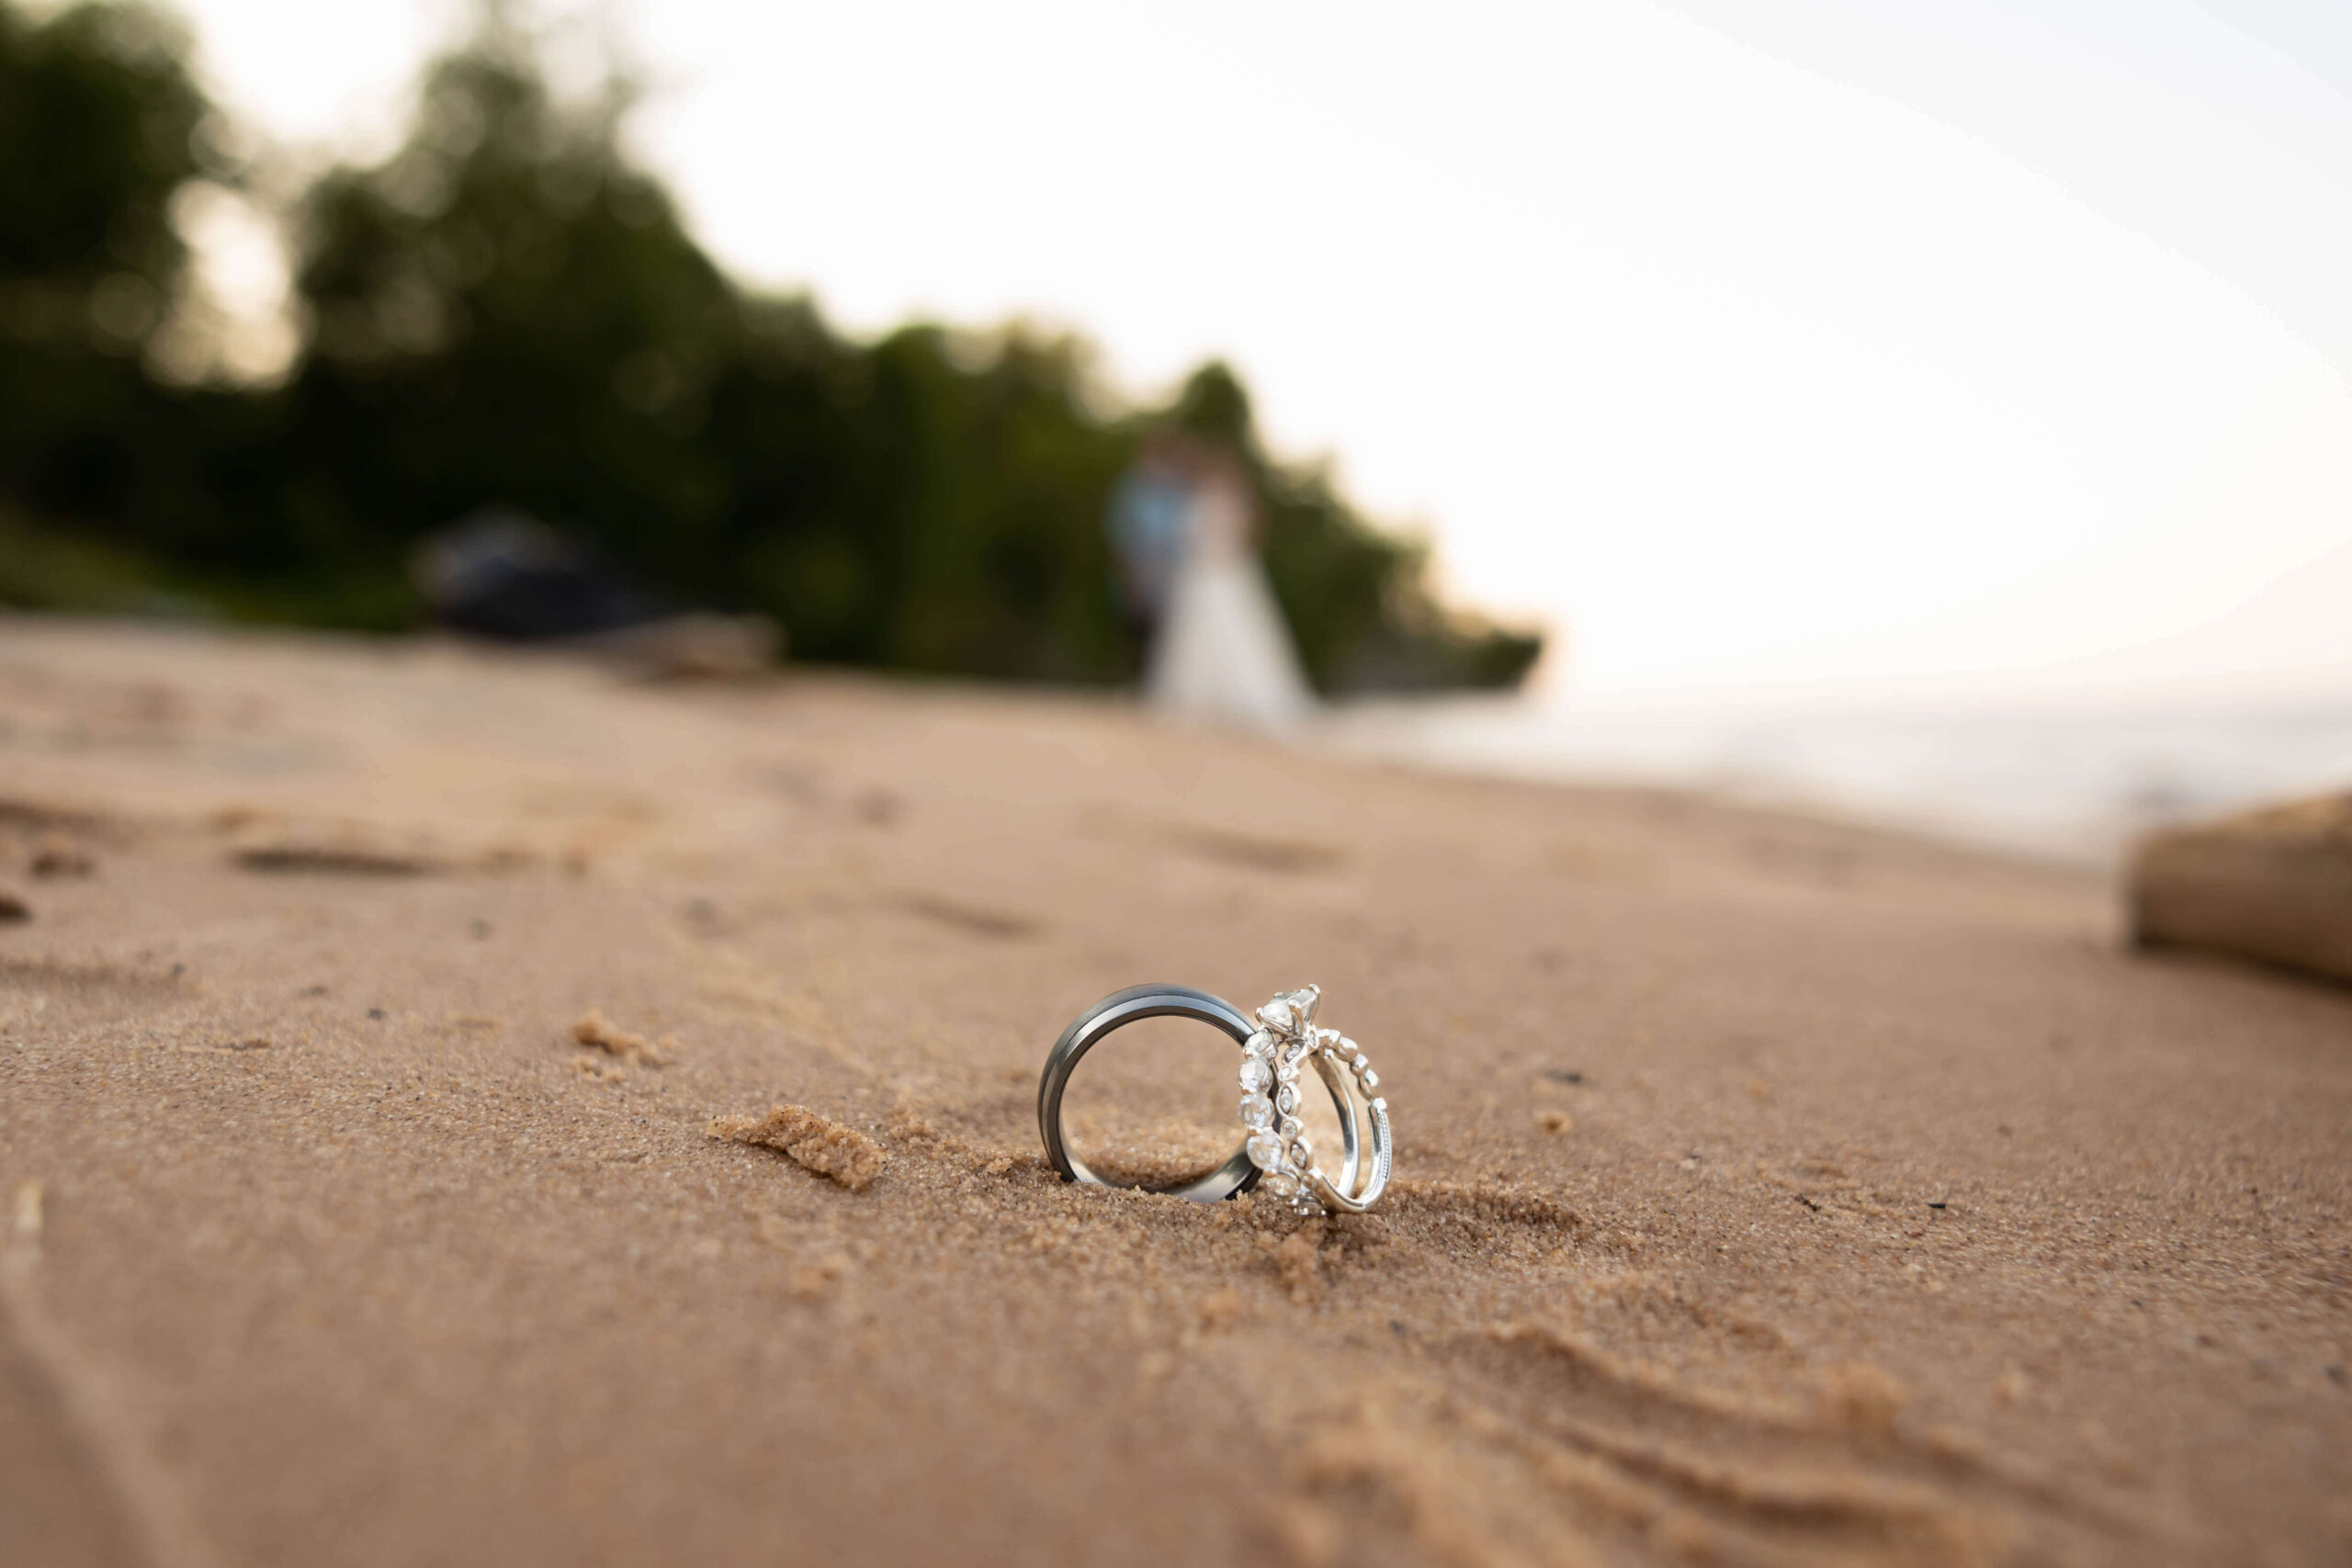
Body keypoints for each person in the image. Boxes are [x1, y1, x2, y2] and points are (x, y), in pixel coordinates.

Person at [1118, 435, 1314, 731]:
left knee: (1231, 634)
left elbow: (1239, 536)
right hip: (1199, 577)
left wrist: (1215, 558)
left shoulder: (1219, 499)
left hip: (1220, 575)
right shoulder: (1188, 496)